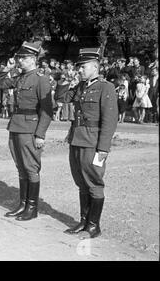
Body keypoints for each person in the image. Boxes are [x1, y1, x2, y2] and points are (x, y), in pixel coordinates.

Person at [0, 41, 53, 221]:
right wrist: (9, 68)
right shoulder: (19, 77)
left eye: (24, 58)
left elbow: (47, 110)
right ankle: (23, 204)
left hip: (30, 128)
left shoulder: (41, 79)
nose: (20, 61)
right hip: (16, 126)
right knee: (21, 168)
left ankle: (32, 207)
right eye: (19, 57)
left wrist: (40, 134)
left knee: (30, 168)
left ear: (33, 59)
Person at [63, 48, 118, 239]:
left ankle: (94, 226)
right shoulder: (80, 86)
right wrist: (67, 82)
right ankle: (84, 221)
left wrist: (103, 148)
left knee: (94, 182)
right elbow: (61, 99)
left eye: (83, 67)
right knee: (81, 183)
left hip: (93, 142)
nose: (80, 70)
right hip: (77, 139)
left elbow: (110, 120)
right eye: (79, 67)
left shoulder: (106, 87)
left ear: (95, 66)